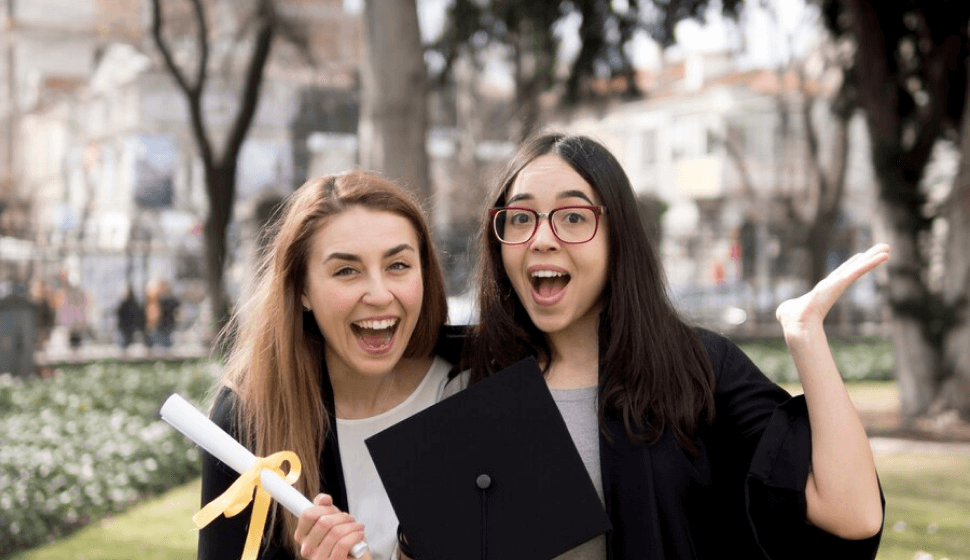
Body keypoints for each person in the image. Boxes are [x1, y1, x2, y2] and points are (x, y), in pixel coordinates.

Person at [459, 132, 885, 559]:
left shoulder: (697, 369)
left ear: (617, 236)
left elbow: (853, 514)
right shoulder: (471, 378)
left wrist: (805, 334)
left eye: (573, 217)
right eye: (521, 217)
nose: (541, 239)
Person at [199, 171, 454, 560]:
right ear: (302, 289)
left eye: (398, 265)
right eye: (346, 270)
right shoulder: (249, 419)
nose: (379, 294)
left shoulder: (476, 384)